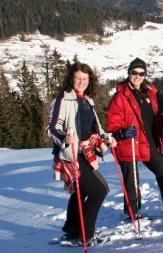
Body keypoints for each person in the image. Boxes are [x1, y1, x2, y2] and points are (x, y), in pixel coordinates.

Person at [106, 57, 163, 220]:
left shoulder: (149, 94)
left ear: (145, 75)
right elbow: (112, 125)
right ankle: (133, 214)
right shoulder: (120, 97)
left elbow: (155, 118)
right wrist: (122, 133)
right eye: (134, 72)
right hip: (128, 143)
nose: (137, 76)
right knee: (132, 181)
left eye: (141, 73)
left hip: (148, 143)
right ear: (129, 73)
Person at [47, 62, 117, 245]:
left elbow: (96, 128)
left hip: (86, 154)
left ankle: (71, 231)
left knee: (81, 191)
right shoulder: (63, 99)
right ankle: (85, 235)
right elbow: (52, 128)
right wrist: (64, 138)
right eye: (78, 78)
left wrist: (106, 138)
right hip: (71, 155)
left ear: (89, 80)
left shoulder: (88, 101)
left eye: (85, 78)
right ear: (71, 78)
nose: (81, 81)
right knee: (99, 190)